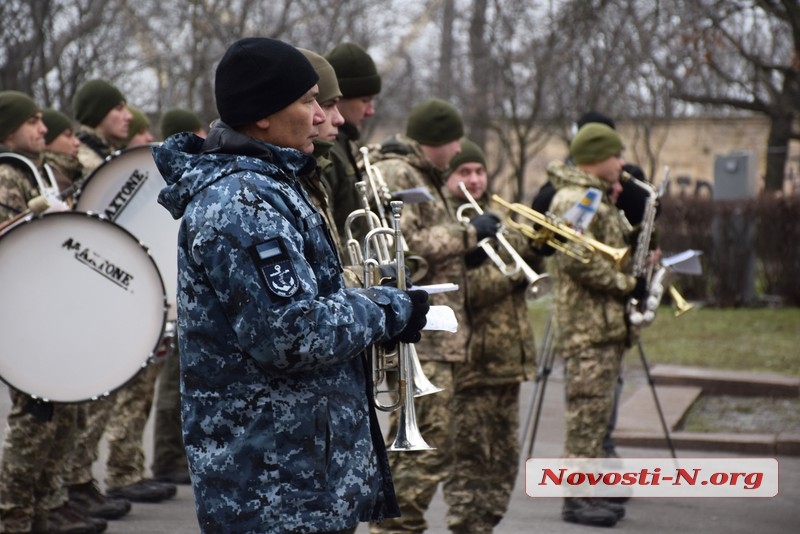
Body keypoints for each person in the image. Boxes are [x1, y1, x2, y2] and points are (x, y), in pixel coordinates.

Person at [151, 36, 431, 533]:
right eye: (308, 101)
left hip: (299, 475)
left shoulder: (270, 185)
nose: (324, 116)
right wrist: (387, 309)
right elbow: (292, 333)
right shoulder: (243, 203)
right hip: (274, 486)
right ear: (263, 113)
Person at [367, 99, 501, 534]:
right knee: (419, 449)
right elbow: (404, 246)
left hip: (438, 337)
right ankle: (394, 527)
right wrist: (467, 234)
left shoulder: (424, 175)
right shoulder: (398, 173)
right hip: (423, 339)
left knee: (431, 446)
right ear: (435, 141)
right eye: (454, 140)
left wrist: (470, 257)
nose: (459, 148)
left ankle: (400, 525)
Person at [0, 91, 108, 534]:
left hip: (50, 307)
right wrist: (31, 215)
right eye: (34, 121)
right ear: (8, 130)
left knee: (65, 415)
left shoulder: (35, 171)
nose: (42, 129)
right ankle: (15, 515)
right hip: (24, 312)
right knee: (35, 420)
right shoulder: (7, 175)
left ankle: (48, 504)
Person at [67, 79, 177, 506]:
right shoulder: (85, 161)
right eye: (117, 108)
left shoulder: (103, 159)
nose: (127, 116)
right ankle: (81, 484)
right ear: (96, 112)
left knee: (130, 389)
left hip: (123, 285)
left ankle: (116, 473)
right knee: (99, 395)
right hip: (101, 290)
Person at [546, 123, 645, 527]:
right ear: (597, 158)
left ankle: (589, 490)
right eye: (616, 156)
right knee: (587, 416)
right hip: (589, 326)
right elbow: (575, 257)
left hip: (600, 325)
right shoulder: (582, 196)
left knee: (596, 414)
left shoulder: (592, 195)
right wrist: (626, 284)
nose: (622, 163)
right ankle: (578, 498)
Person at [440, 139, 538, 533]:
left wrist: (536, 252)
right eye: (464, 172)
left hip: (507, 362)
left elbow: (517, 270)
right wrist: (516, 273)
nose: (475, 179)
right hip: (471, 365)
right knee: (469, 462)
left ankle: (486, 526)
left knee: (503, 462)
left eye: (479, 171)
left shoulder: (496, 218)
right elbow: (462, 290)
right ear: (448, 177)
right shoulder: (449, 229)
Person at [151, 106, 207, 485]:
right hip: (172, 295)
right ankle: (166, 459)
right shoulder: (184, 176)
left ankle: (173, 457)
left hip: (176, 292)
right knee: (173, 384)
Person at [323, 42, 382, 248]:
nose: (370, 111)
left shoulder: (342, 145)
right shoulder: (327, 150)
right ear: (339, 98)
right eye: (365, 100)